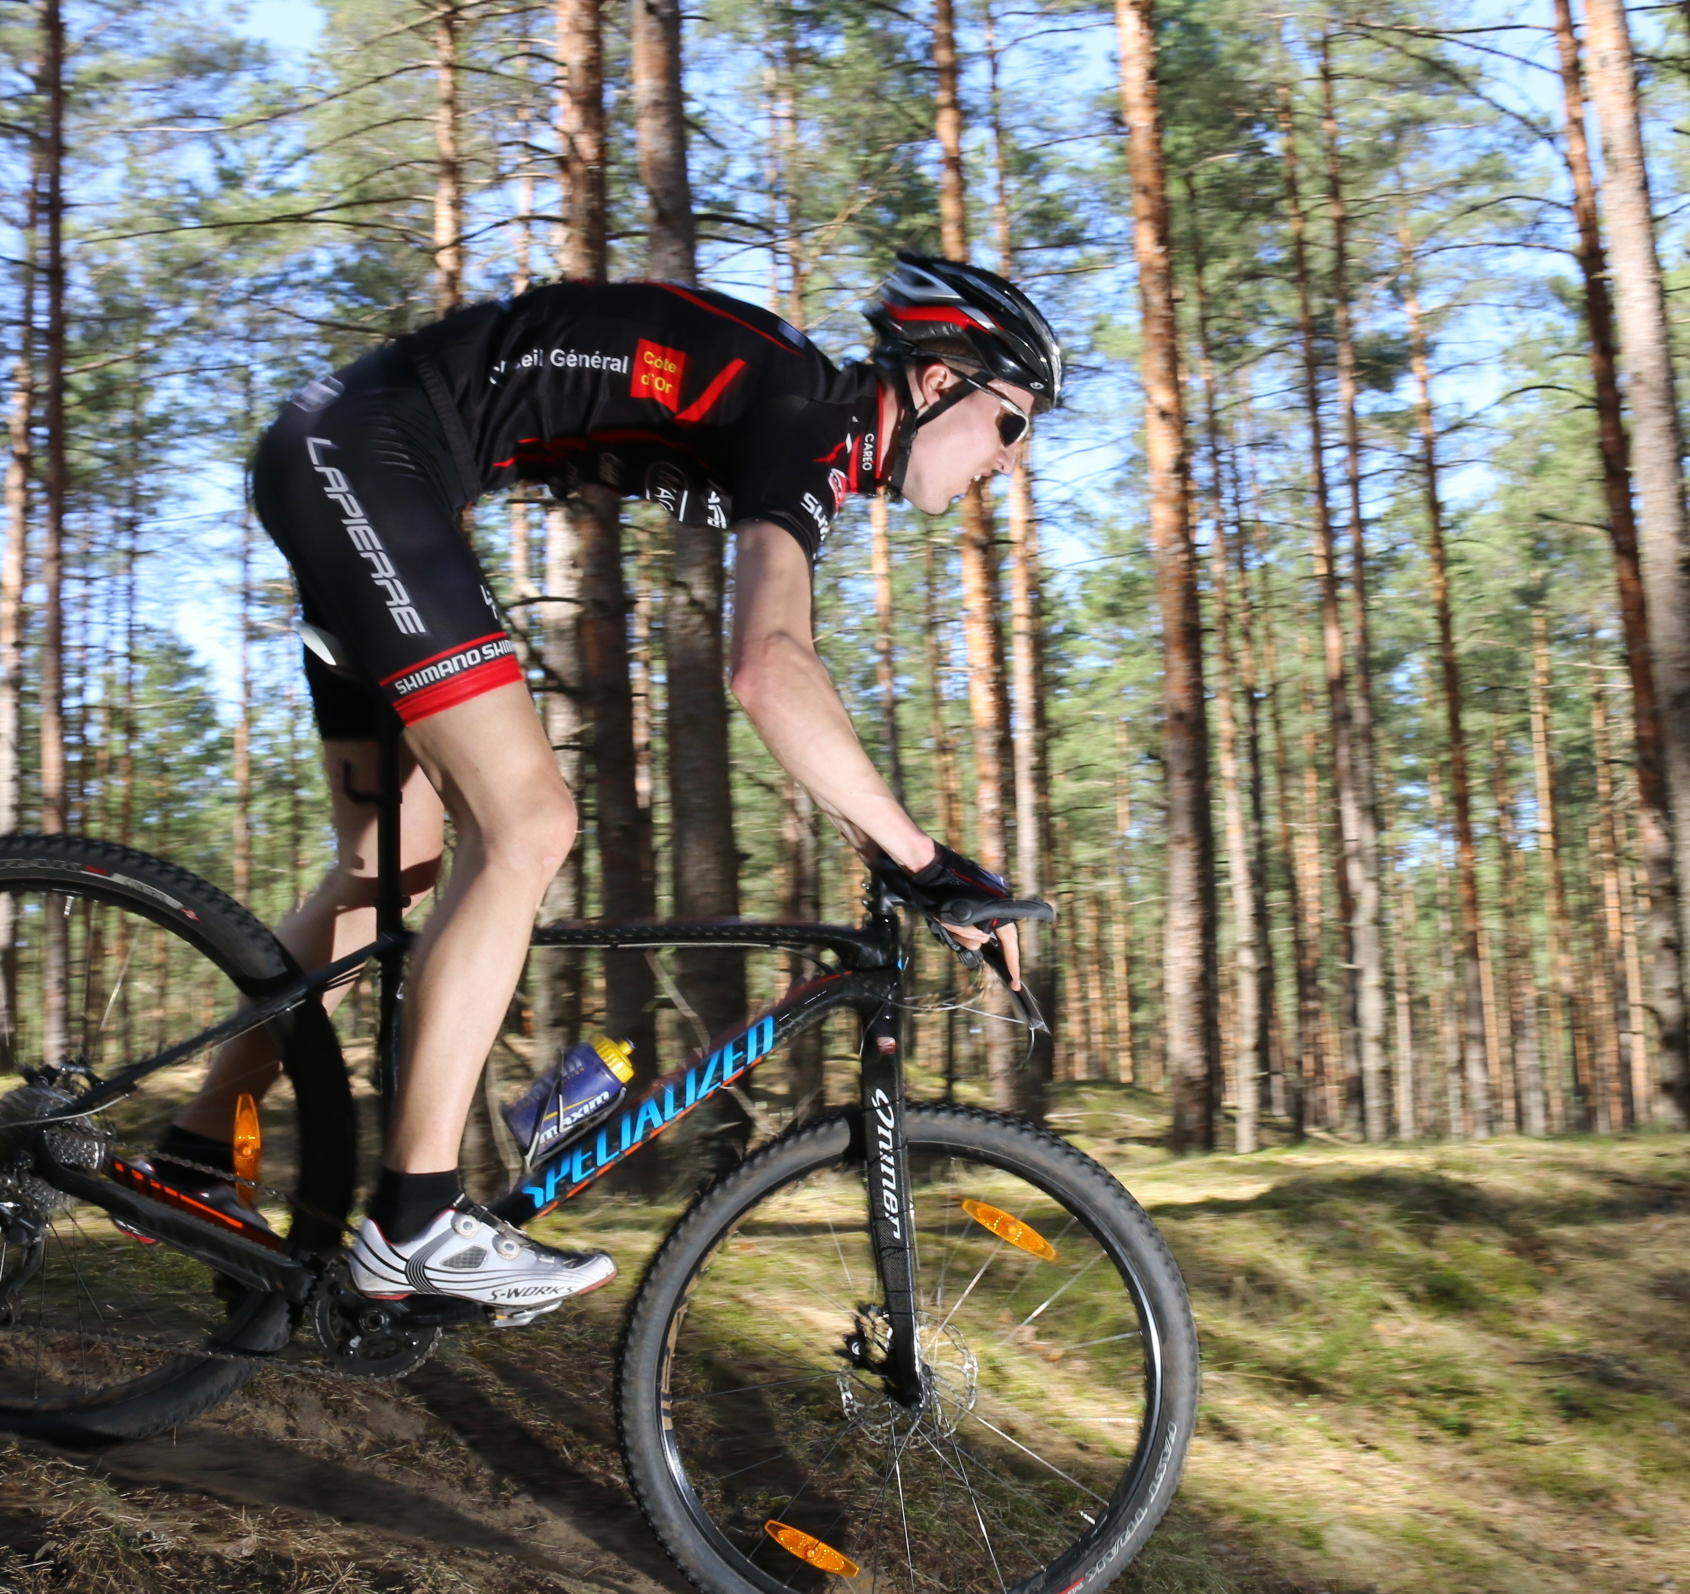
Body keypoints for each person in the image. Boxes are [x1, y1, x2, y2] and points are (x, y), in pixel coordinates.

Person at [145, 254, 1062, 1319]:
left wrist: (896, 852)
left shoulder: (806, 419)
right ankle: (414, 1225)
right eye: (1012, 423)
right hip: (370, 458)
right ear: (941, 380)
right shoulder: (812, 413)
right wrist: (923, 857)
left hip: (345, 452)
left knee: (391, 864)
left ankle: (195, 1156)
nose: (1011, 459)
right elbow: (770, 666)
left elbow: (785, 682)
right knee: (528, 824)